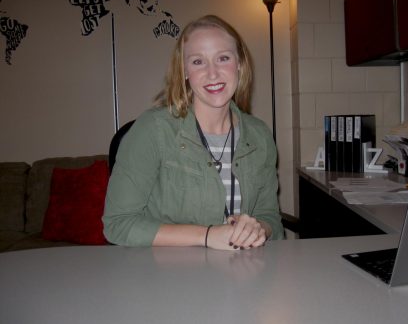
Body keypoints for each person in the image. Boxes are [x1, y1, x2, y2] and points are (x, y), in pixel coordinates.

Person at [103, 15, 284, 250]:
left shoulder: (260, 136)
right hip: (165, 278)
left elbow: (270, 217)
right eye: (198, 62)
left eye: (223, 58)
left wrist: (258, 228)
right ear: (185, 71)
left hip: (242, 271)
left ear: (239, 63)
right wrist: (207, 236)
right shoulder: (153, 129)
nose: (213, 73)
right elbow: (118, 225)